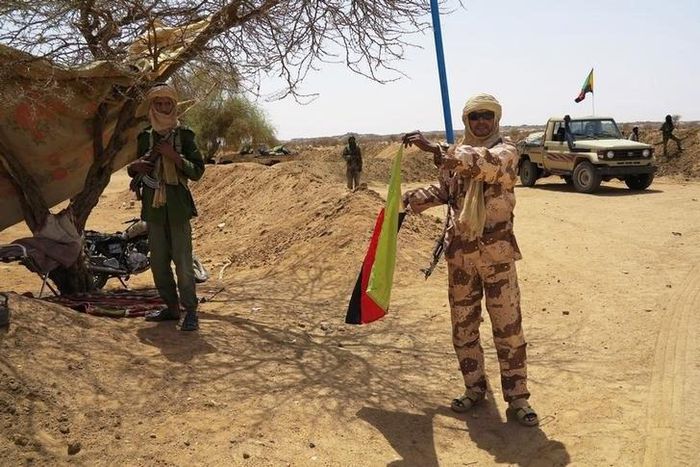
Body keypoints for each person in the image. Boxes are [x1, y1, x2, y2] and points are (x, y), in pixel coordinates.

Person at [402, 93, 537, 427]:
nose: (481, 122)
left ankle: (518, 398)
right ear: (466, 120)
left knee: (508, 330)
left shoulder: (504, 152)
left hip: (497, 260)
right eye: (474, 116)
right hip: (461, 259)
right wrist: (405, 200)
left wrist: (437, 151)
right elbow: (445, 193)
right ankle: (474, 388)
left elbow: (484, 165)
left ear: (496, 119)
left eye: (486, 116)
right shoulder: (456, 158)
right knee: (463, 329)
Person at [128, 83, 205, 331]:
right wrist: (136, 168)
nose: (163, 108)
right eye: (158, 104)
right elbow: (134, 170)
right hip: (153, 209)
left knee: (183, 264)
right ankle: (171, 309)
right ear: (152, 106)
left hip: (178, 207)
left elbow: (197, 172)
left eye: (167, 104)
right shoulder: (145, 136)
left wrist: (174, 157)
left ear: (174, 106)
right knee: (159, 264)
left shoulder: (185, 136)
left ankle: (190, 311)